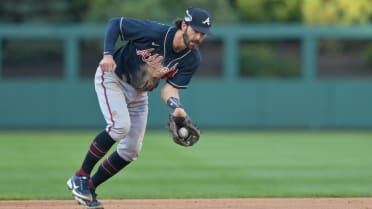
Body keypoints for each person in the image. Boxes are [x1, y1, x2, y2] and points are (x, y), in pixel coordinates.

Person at [67, 7, 213, 209]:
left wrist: (176, 107)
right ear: (184, 25)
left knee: (131, 150)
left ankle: (89, 187)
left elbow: (169, 90)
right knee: (120, 126)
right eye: (196, 30)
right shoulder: (156, 32)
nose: (199, 37)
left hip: (139, 93)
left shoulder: (192, 59)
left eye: (203, 33)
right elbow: (115, 24)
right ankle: (80, 177)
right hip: (113, 78)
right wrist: (107, 54)